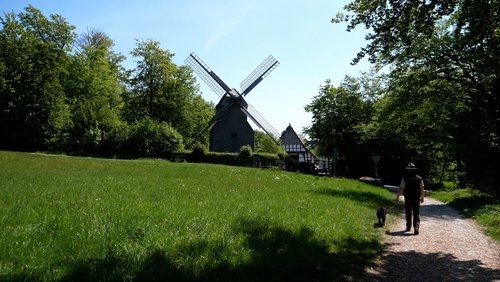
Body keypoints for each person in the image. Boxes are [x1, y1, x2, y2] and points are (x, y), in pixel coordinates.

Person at [396, 163, 425, 235]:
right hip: (416, 198)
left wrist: (397, 197)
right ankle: (416, 225)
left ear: (408, 170)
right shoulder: (419, 178)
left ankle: (408, 227)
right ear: (414, 170)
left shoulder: (405, 178)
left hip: (408, 198)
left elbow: (401, 189)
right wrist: (422, 197)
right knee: (416, 212)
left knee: (408, 212)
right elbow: (422, 189)